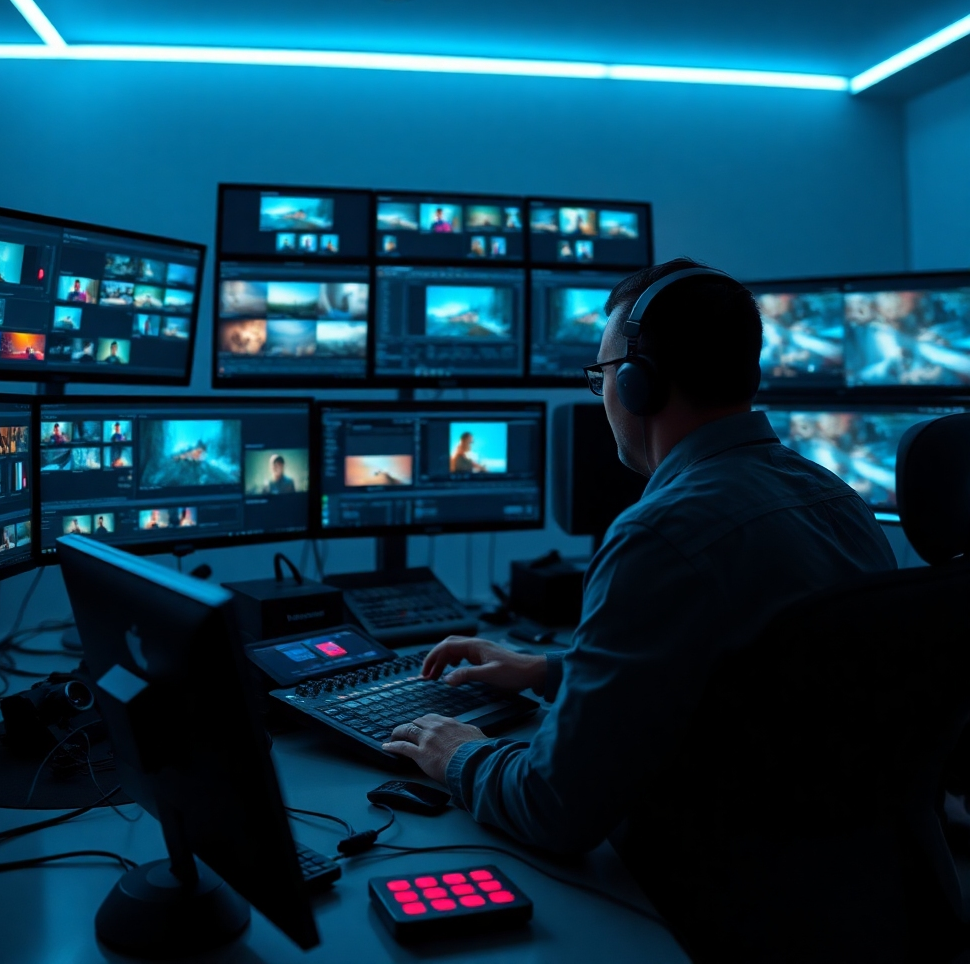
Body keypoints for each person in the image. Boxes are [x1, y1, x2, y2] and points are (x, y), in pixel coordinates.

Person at [383, 258, 896, 856]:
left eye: (601, 375)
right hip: (838, 862)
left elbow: (552, 808)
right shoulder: (836, 496)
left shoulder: (659, 535)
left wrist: (459, 753)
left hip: (709, 888)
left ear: (635, 383)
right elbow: (745, 681)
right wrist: (550, 671)